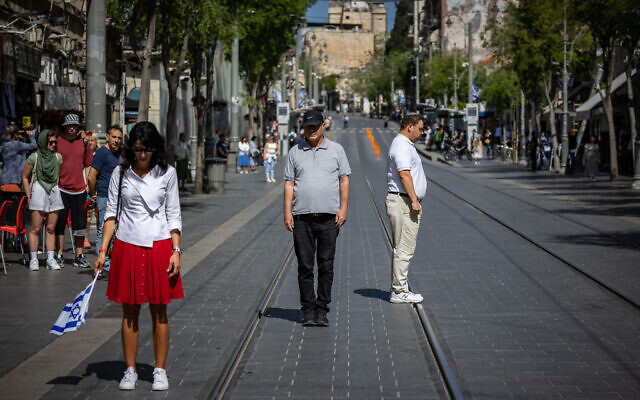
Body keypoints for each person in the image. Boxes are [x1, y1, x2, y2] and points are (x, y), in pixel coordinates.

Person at [94, 121, 183, 392]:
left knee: (160, 311)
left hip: (159, 246)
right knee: (130, 312)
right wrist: (101, 251)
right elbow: (111, 213)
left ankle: (159, 370)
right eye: (136, 150)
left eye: (146, 150)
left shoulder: (167, 173)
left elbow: (173, 213)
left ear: (155, 149)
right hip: (127, 245)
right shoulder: (121, 174)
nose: (141, 155)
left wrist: (176, 251)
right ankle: (130, 369)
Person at [283, 110, 350, 326]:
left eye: (314, 126)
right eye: (307, 127)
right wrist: (287, 212)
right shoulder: (295, 152)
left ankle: (322, 309)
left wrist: (343, 208)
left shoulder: (336, 150)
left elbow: (344, 180)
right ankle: (308, 309)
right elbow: (289, 184)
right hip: (302, 217)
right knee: (305, 267)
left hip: (329, 218)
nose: (310, 130)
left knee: (326, 265)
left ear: (323, 126)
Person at [386, 114, 426, 304]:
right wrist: (414, 200)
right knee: (404, 246)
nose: (422, 132)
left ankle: (400, 287)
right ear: (410, 126)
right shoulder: (401, 145)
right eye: (420, 128)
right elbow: (404, 174)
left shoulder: (404, 144)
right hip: (403, 202)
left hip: (404, 200)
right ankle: (399, 290)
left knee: (403, 246)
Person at [21, 129, 64, 271]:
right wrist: (28, 195)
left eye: (55, 142)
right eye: (50, 142)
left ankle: (50, 259)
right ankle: (34, 259)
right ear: (43, 142)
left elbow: (57, 174)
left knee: (51, 228)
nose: (53, 145)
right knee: (36, 228)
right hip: (39, 190)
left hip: (53, 190)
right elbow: (25, 177)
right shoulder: (34, 157)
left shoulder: (57, 157)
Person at [55, 113, 93, 268]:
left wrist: (88, 185)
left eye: (74, 125)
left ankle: (79, 255)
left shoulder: (84, 143)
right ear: (65, 126)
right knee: (60, 223)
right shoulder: (57, 142)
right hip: (61, 189)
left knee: (80, 225)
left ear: (78, 127)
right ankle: (59, 254)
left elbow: (88, 165)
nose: (71, 128)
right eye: (69, 125)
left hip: (79, 190)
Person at [87, 125, 123, 279]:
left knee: (115, 231)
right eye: (114, 137)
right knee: (103, 228)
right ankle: (103, 266)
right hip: (104, 196)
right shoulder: (102, 153)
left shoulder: (119, 154)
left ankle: (110, 263)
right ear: (107, 137)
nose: (116, 140)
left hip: (118, 197)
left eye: (119, 138)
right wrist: (94, 193)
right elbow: (91, 176)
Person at [0, 124, 37, 191]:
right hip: (14, 182)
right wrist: (31, 135)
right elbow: (34, 145)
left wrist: (20, 138)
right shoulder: (17, 144)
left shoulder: (4, 145)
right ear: (14, 134)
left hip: (4, 181)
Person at [85, 133, 100, 248]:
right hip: (87, 188)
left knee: (99, 214)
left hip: (99, 188)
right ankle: (85, 238)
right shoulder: (84, 154)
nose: (90, 142)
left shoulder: (99, 155)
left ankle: (100, 238)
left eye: (92, 140)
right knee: (88, 215)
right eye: (88, 140)